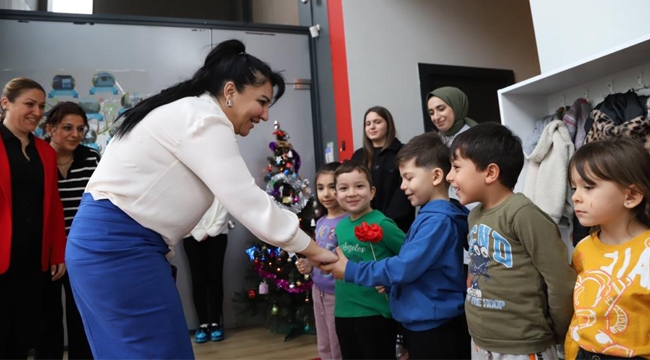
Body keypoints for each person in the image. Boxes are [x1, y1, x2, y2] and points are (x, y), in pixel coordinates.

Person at [64, 39, 338, 359]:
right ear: (231, 91)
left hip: (107, 247)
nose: (265, 115)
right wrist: (315, 251)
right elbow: (247, 200)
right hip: (118, 251)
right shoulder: (205, 118)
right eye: (262, 102)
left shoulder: (189, 111)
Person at [324, 132, 471, 359]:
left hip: (435, 326)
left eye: (409, 178)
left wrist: (351, 270)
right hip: (425, 320)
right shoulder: (430, 215)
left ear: (436, 176)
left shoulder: (437, 221)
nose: (402, 186)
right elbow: (423, 271)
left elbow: (405, 266)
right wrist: (393, 286)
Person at [446, 122, 576, 359]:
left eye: (456, 167)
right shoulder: (474, 216)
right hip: (481, 340)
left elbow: (559, 280)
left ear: (490, 172)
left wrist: (557, 332)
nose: (449, 176)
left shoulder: (522, 213)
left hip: (523, 345)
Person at [565, 138, 650, 360]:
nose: (575, 196)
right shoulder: (582, 249)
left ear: (631, 196)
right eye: (574, 188)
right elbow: (581, 314)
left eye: (589, 187)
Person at [0, 77, 66, 359]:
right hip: (3, 258)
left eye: (41, 106)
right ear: (6, 103)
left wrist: (57, 252)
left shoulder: (45, 152)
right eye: (29, 104)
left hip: (34, 260)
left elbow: (54, 206)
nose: (37, 112)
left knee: (27, 333)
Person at [35, 102, 99, 360]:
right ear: (50, 129)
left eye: (80, 128)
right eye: (67, 128)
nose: (75, 134)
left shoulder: (92, 159)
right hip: (47, 253)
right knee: (46, 322)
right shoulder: (37, 159)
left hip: (84, 253)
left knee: (82, 320)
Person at [331, 160, 405, 360]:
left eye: (359, 186)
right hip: (344, 311)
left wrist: (391, 279)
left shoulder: (383, 223)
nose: (352, 193)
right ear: (336, 195)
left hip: (376, 313)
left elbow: (408, 258)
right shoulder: (340, 228)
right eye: (344, 188)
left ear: (372, 192)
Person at [296, 162, 348, 360]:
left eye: (332, 187)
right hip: (318, 290)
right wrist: (309, 265)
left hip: (338, 293)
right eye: (320, 188)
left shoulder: (347, 222)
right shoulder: (320, 222)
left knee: (337, 344)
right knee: (324, 342)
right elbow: (317, 254)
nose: (326, 194)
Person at [352, 106, 414, 233]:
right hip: (363, 226)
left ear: (388, 124)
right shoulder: (358, 156)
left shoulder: (403, 152)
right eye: (368, 124)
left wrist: (384, 223)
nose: (372, 127)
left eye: (377, 122)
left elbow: (404, 194)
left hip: (397, 226)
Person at [183, 199, 229, 344]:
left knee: (215, 278)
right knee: (198, 279)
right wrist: (197, 232)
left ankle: (215, 323)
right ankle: (202, 324)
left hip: (218, 235)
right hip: (191, 236)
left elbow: (224, 209)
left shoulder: (218, 183)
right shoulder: (185, 186)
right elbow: (181, 212)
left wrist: (210, 232)